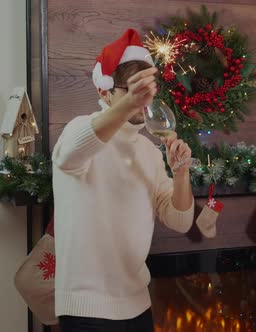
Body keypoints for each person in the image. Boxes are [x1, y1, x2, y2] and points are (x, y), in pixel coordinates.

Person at [52, 29, 195, 331]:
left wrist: (181, 175)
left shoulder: (149, 151)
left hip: (138, 306)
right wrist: (129, 103)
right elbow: (73, 152)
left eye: (144, 92)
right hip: (87, 311)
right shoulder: (78, 131)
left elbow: (180, 221)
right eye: (130, 90)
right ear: (104, 91)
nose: (141, 102)